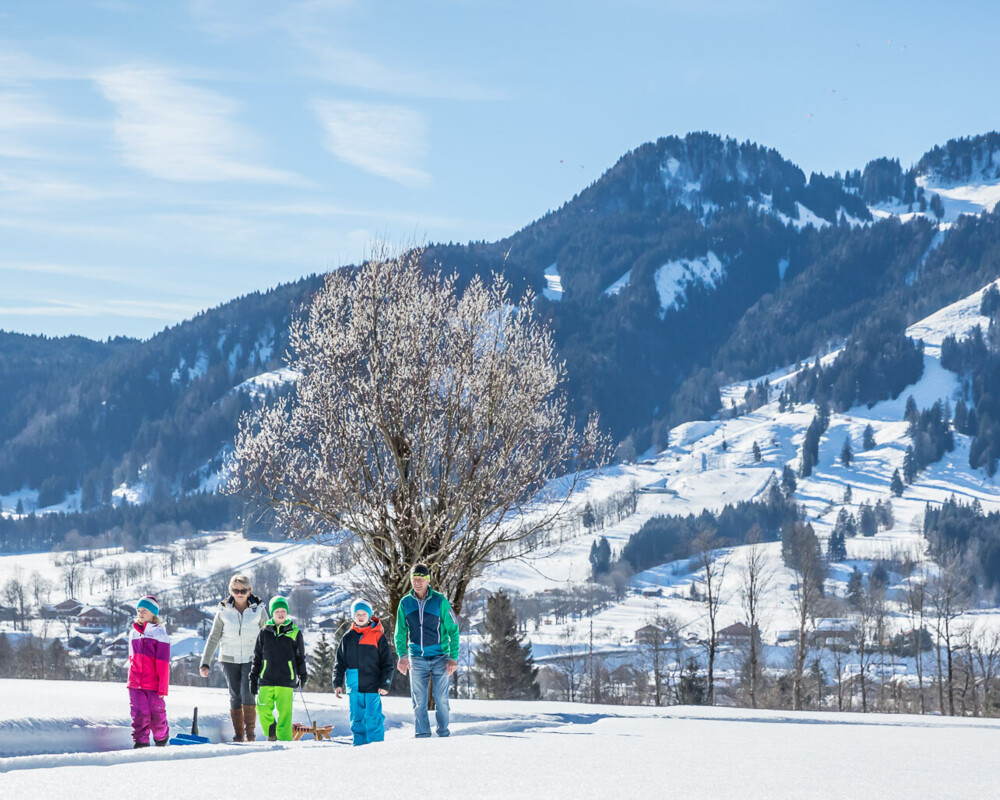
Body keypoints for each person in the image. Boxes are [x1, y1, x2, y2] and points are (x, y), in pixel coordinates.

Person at [199, 574, 268, 741]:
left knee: (248, 692)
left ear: (249, 591)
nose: (239, 593)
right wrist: (205, 662)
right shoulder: (223, 610)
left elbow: (268, 635)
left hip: (252, 658)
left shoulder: (258, 609)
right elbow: (214, 636)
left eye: (243, 590)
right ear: (231, 591)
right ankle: (239, 734)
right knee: (235, 694)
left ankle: (250, 733)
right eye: (236, 590)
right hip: (228, 658)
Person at [394, 564, 460, 738]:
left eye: (420, 579)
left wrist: (453, 657)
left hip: (441, 657)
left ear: (428, 580)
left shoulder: (440, 601)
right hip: (417, 658)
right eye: (414, 579)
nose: (417, 583)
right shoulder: (405, 603)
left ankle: (443, 733)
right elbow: (400, 632)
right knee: (419, 701)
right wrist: (402, 655)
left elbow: (454, 629)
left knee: (441, 699)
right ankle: (422, 735)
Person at [334, 598, 396, 745]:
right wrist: (337, 684)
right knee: (357, 718)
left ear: (369, 615)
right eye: (357, 614)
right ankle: (359, 746)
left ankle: (375, 746)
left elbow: (388, 663)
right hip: (354, 685)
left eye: (363, 613)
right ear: (353, 616)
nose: (360, 616)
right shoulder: (347, 637)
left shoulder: (377, 636)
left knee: (372, 717)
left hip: (373, 685)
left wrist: (385, 683)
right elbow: (339, 663)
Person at [249, 596, 307, 741]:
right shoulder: (264, 633)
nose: (280, 614)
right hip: (266, 679)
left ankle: (284, 743)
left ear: (287, 612)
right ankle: (272, 733)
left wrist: (302, 674)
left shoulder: (295, 632)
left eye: (283, 611)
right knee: (262, 709)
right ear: (272, 613)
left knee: (285, 716)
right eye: (277, 611)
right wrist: (253, 677)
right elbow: (257, 658)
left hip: (286, 680)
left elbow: (300, 657)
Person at [127, 595, 170, 748]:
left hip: (154, 685)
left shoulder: (160, 635)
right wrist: (131, 678)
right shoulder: (134, 633)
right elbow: (131, 657)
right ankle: (141, 744)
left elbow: (163, 664)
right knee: (139, 715)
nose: (140, 613)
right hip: (135, 684)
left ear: (153, 613)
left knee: (157, 718)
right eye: (139, 610)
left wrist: (162, 688)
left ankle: (161, 738)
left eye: (144, 610)